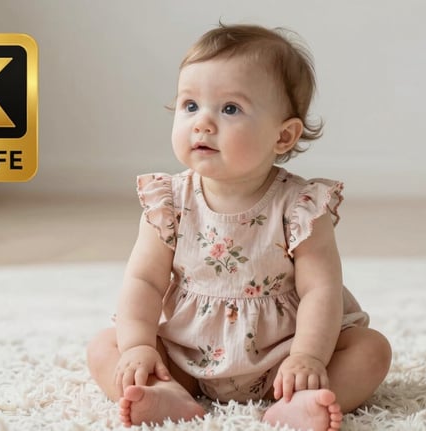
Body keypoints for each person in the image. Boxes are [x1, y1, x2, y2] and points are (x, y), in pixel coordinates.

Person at [87, 23, 391, 431]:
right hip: (186, 354)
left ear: (283, 136)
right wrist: (140, 347)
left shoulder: (301, 207)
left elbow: (321, 289)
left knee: (371, 350)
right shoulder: (168, 201)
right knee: (105, 347)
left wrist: (310, 358)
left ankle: (299, 402)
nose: (203, 123)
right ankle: (167, 394)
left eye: (229, 109)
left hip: (284, 355)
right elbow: (143, 280)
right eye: (190, 105)